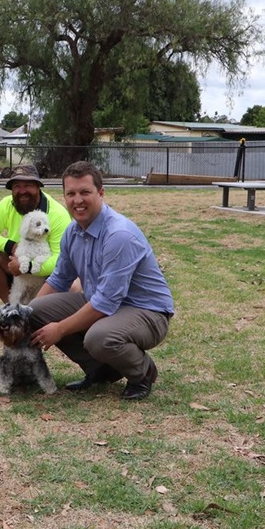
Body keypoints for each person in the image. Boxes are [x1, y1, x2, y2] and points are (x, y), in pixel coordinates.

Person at [28, 161, 174, 400]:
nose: (78, 200)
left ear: (101, 193)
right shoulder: (72, 232)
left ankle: (143, 372)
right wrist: (24, 315)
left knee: (99, 337)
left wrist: (60, 329)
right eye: (71, 193)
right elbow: (60, 278)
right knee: (35, 311)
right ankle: (102, 370)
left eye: (85, 192)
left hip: (147, 311)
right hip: (101, 302)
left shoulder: (119, 235)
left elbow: (105, 302)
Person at [0, 164, 71, 303]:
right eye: (17, 186)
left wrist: (27, 267)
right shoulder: (7, 204)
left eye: (28, 185)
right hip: (17, 265)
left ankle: (40, 307)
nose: (22, 191)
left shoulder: (58, 214)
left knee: (74, 285)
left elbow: (60, 261)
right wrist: (11, 246)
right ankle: (12, 310)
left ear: (38, 187)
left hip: (47, 274)